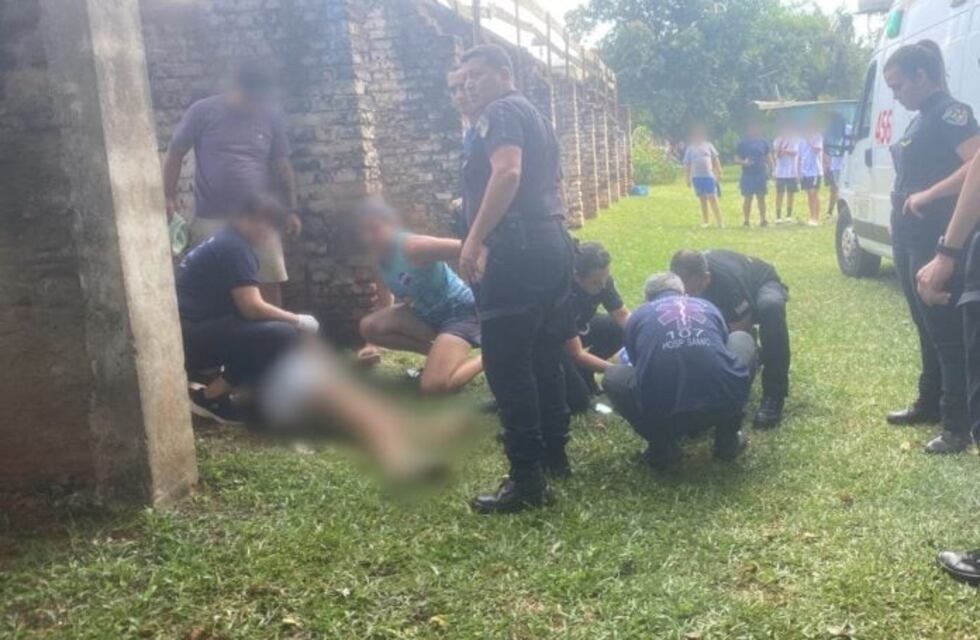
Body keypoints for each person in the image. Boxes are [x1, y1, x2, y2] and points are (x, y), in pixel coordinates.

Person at [457, 44, 575, 513]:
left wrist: (473, 238)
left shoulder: (502, 111)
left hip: (517, 249)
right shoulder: (535, 115)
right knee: (545, 352)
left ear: (505, 73)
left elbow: (506, 174)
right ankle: (554, 453)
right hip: (551, 242)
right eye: (464, 80)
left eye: (478, 75)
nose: (469, 85)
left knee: (507, 363)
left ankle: (526, 480)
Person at [880, 40, 980, 453]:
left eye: (899, 85)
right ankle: (930, 402)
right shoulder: (921, 116)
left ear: (923, 77)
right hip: (909, 236)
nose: (896, 95)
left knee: (945, 331)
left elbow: (977, 160)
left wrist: (927, 196)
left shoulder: (951, 113)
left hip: (937, 235)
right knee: (924, 324)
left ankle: (956, 423)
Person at [163, 61, 302, 307]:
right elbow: (175, 153)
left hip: (261, 219)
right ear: (237, 88)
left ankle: (273, 339)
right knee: (209, 286)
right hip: (212, 217)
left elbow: (282, 165)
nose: (255, 103)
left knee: (268, 281)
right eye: (252, 96)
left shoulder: (269, 116)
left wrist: (291, 210)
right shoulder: (202, 111)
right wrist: (168, 196)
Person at [176, 194, 318, 424]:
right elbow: (252, 308)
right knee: (282, 334)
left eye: (273, 228)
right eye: (265, 224)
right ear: (244, 218)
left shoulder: (227, 241)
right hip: (191, 338)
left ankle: (240, 390)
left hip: (188, 331)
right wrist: (298, 320)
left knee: (268, 330)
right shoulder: (235, 248)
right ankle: (210, 397)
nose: (268, 233)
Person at [602, 273, 755, 468]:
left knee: (612, 377)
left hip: (664, 414)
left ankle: (662, 447)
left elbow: (638, 364)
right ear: (683, 293)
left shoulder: (638, 316)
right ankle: (728, 439)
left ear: (648, 298)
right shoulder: (708, 307)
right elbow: (723, 350)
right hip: (721, 404)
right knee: (742, 338)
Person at [355, 197, 483, 395]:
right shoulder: (378, 258)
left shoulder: (413, 246)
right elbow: (384, 300)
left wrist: (482, 287)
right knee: (369, 326)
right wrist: (371, 345)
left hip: (460, 313)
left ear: (391, 224)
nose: (369, 236)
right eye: (364, 231)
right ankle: (438, 356)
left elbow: (472, 248)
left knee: (432, 387)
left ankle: (489, 357)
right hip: (426, 315)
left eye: (375, 228)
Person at [670, 249, 790, 429]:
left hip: (760, 282)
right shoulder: (674, 283)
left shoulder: (726, 281)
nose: (690, 296)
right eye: (685, 292)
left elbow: (741, 329)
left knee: (770, 308)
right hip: (727, 295)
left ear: (706, 278)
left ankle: (774, 395)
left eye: (694, 290)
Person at [563, 241, 631, 413]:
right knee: (578, 402)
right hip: (552, 342)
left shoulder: (602, 280)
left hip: (580, 327)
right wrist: (619, 373)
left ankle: (584, 371)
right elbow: (575, 353)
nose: (603, 286)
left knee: (617, 328)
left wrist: (647, 338)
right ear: (577, 276)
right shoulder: (562, 294)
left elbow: (622, 316)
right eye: (595, 282)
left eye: (605, 278)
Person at [682, 126, 723, 228]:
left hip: (708, 176)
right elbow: (687, 164)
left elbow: (715, 159)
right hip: (697, 177)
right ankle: (706, 221)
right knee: (702, 199)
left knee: (713, 197)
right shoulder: (690, 148)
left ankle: (720, 221)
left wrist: (719, 171)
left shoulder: (708, 145)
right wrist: (687, 178)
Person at [735, 121, 771, 227]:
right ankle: (746, 220)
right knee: (748, 198)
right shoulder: (743, 143)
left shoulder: (764, 142)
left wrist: (772, 169)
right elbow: (736, 159)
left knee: (761, 198)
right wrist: (744, 162)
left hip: (760, 173)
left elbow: (768, 157)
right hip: (748, 174)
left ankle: (763, 220)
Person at [772, 124, 801, 224]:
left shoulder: (795, 140)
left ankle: (789, 215)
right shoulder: (777, 140)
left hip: (792, 171)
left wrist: (786, 151)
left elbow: (795, 152)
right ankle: (778, 216)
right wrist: (781, 147)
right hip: (780, 172)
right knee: (779, 193)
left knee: (790, 194)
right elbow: (777, 154)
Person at [799, 127, 824, 226]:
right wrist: (798, 172)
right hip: (805, 171)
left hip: (815, 171)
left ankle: (816, 218)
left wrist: (809, 140)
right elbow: (800, 156)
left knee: (814, 193)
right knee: (809, 194)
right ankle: (811, 216)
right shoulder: (801, 140)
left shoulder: (818, 136)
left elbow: (817, 149)